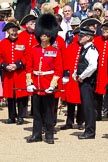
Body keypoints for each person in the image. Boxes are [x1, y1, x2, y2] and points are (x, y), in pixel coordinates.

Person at [26, 13, 63, 144]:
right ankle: (36, 134)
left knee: (49, 112)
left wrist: (52, 85)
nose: (44, 36)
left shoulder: (55, 51)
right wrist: (29, 83)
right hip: (36, 85)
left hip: (48, 86)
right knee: (36, 112)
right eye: (42, 34)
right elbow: (29, 67)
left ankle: (49, 135)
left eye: (46, 34)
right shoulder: (34, 50)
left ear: (50, 35)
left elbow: (58, 70)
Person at [72, 26, 99, 139]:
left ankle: (90, 131)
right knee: (85, 105)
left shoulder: (91, 49)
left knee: (88, 107)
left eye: (81, 36)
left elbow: (92, 66)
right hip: (83, 80)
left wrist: (82, 76)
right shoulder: (85, 48)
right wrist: (75, 74)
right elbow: (81, 64)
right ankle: (88, 130)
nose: (79, 37)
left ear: (88, 37)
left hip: (88, 81)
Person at [0, 22, 29, 124]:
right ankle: (11, 116)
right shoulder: (2, 43)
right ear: (8, 31)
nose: (14, 32)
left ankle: (21, 116)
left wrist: (17, 64)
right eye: (12, 30)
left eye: (16, 30)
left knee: (21, 95)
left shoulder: (23, 42)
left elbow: (27, 56)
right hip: (8, 74)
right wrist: (5, 65)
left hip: (19, 72)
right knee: (10, 96)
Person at [19, 14, 38, 116]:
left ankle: (35, 111)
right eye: (32, 22)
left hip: (36, 66)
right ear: (27, 25)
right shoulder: (21, 36)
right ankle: (22, 113)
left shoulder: (39, 34)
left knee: (35, 89)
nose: (34, 24)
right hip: (24, 66)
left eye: (35, 22)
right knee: (23, 90)